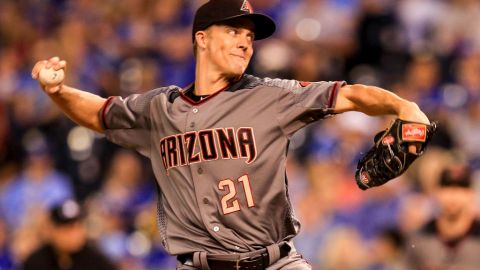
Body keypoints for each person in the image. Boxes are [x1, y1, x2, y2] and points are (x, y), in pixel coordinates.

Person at [31, 0, 430, 269]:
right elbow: (99, 114)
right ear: (201, 38)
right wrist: (58, 91)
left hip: (274, 262)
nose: (245, 41)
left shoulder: (271, 96)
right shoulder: (159, 109)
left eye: (250, 36)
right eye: (234, 30)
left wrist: (404, 107)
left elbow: (351, 94)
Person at [406, 164, 480, 269]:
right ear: (436, 192)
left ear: (471, 194)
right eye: (447, 187)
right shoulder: (419, 237)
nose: (453, 196)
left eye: (460, 188)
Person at [21, 200, 116, 270]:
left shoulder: (96, 261)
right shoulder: (36, 262)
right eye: (68, 229)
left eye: (78, 227)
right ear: (51, 230)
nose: (75, 234)